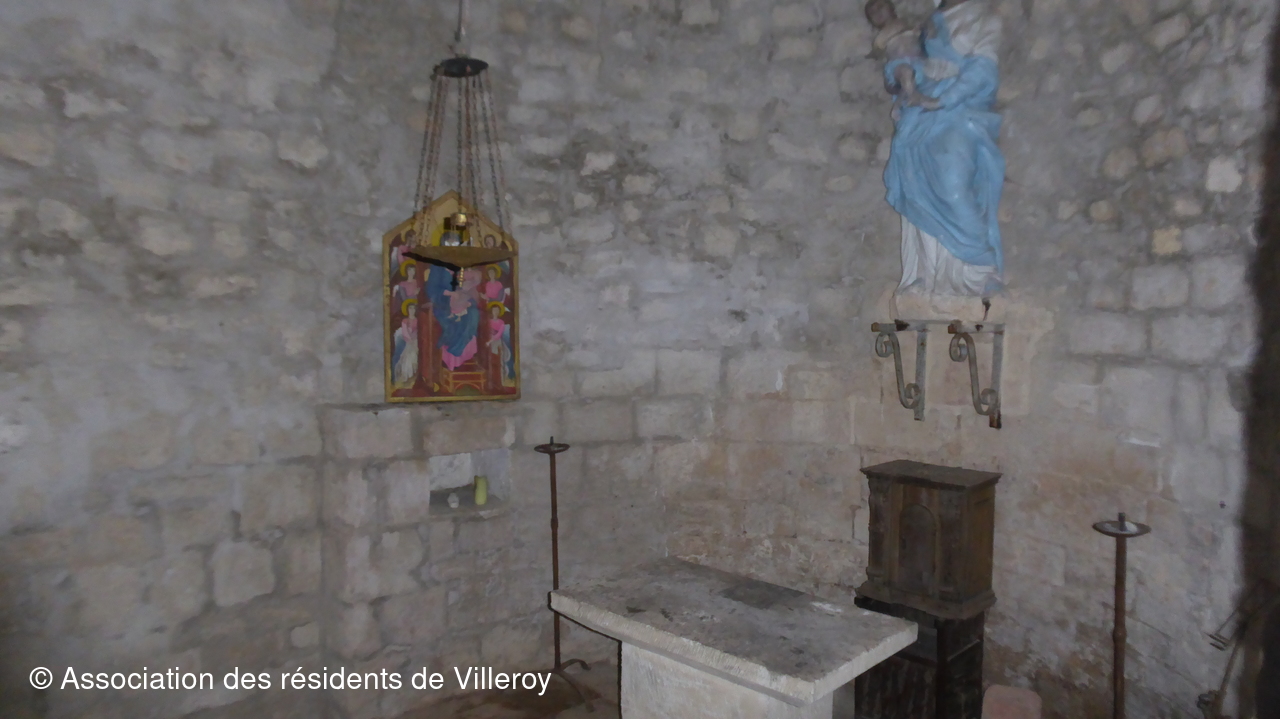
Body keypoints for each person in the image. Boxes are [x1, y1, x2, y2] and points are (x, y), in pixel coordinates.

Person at [881, 0, 1005, 297]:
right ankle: (927, 274)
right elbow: (913, 62)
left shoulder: (984, 20)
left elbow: (983, 71)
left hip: (960, 111)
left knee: (953, 186)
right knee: (914, 182)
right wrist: (904, 73)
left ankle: (979, 268)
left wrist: (941, 100)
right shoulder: (929, 24)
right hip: (920, 114)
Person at [865, 0, 939, 111]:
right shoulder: (879, 39)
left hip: (919, 63)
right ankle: (913, 96)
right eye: (872, 13)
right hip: (897, 65)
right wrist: (889, 83)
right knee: (906, 72)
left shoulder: (908, 22)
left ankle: (906, 97)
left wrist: (926, 30)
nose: (877, 12)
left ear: (892, 7)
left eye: (880, 7)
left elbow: (924, 34)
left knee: (936, 73)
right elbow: (883, 60)